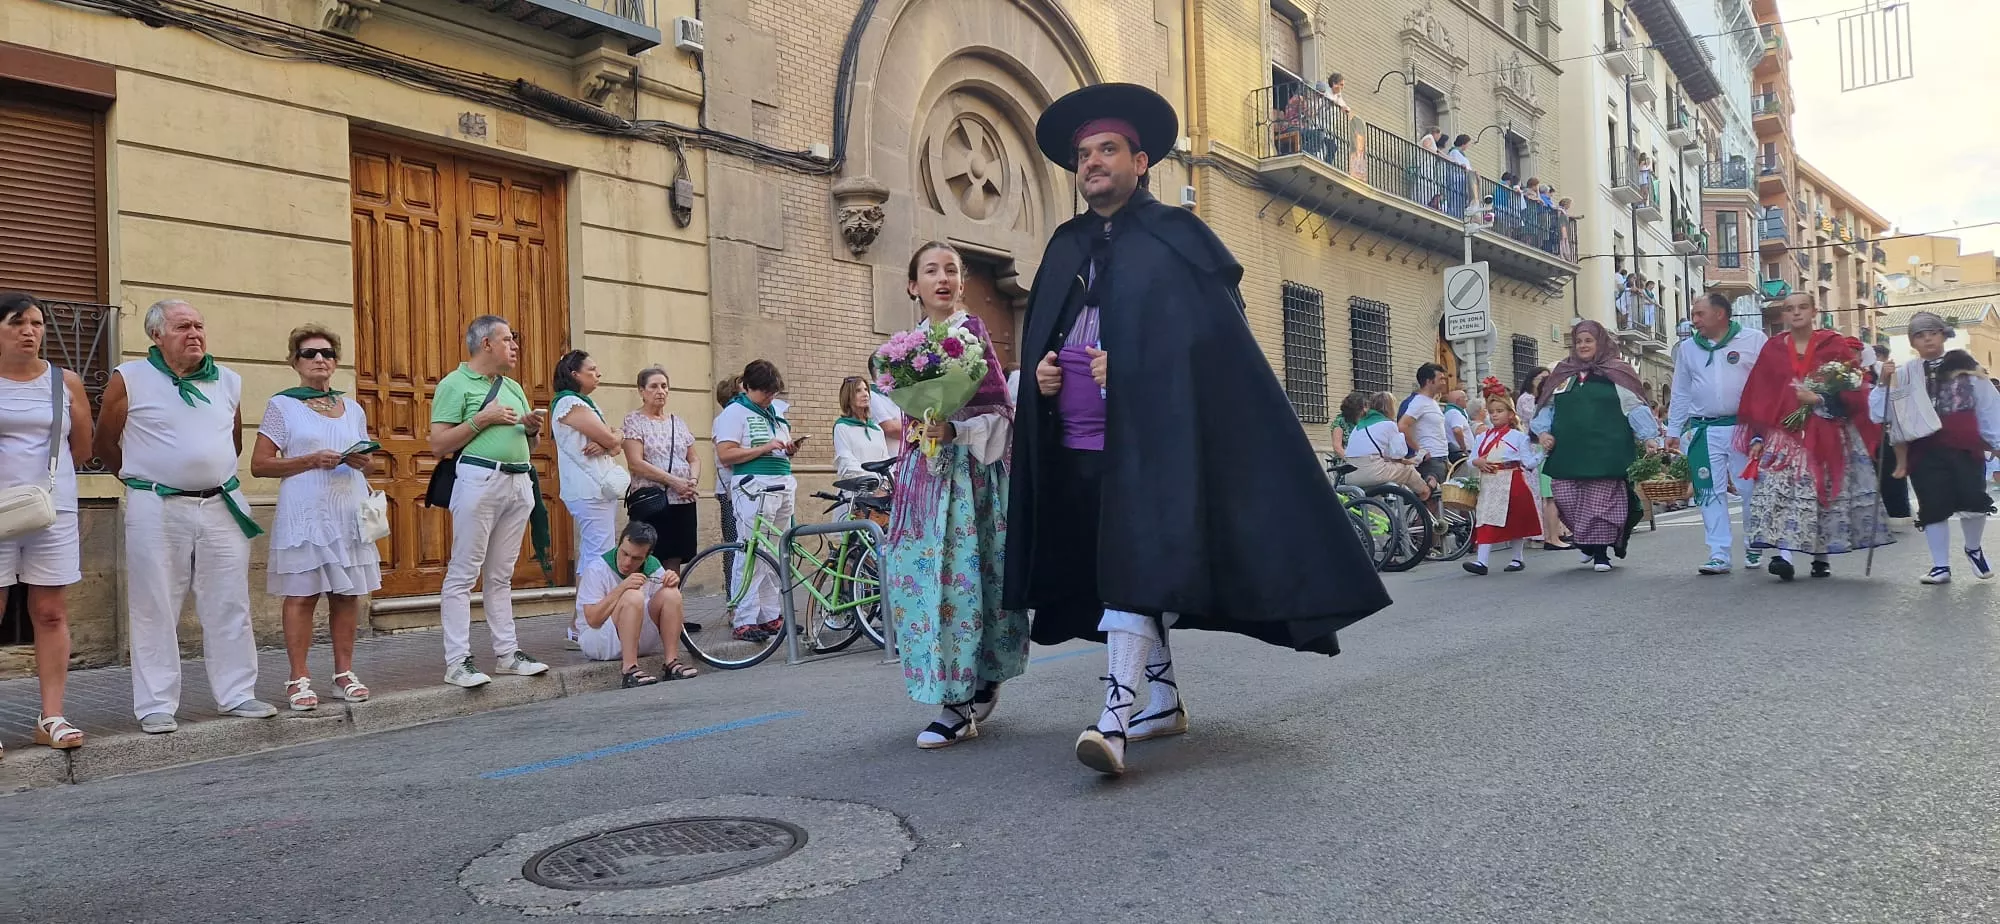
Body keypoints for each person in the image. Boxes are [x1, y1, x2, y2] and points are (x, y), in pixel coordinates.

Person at [1008, 82, 1390, 776]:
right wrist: (1042, 376)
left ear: (1141, 160)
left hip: (1157, 448)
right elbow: (1050, 335)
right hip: (1078, 447)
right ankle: (1163, 702)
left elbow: (1210, 347)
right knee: (1116, 572)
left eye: (1108, 150)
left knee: (1131, 568)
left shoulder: (1178, 240)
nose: (1093, 162)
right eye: (1083, 154)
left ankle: (1114, 721)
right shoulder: (1064, 246)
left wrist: (1133, 364)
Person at [96, 299, 275, 732]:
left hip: (221, 503)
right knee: (154, 601)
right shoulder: (130, 378)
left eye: (198, 325)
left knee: (229, 600)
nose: (194, 334)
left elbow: (230, 443)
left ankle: (237, 694)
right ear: (156, 335)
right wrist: (145, 479)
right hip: (155, 504)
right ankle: (156, 704)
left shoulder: (228, 381)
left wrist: (202, 470)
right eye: (182, 327)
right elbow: (105, 443)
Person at [883, 241, 1026, 748]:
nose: (942, 279)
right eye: (931, 270)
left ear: (962, 283)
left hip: (969, 485)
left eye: (951, 271)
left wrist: (956, 433)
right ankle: (972, 682)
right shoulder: (907, 347)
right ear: (912, 285)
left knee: (963, 583)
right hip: (923, 484)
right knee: (925, 586)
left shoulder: (971, 335)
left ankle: (959, 702)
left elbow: (1001, 416)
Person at [250, 324, 382, 712]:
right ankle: (298, 677)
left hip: (347, 509)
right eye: (309, 354)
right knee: (302, 595)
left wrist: (364, 461)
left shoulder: (352, 407)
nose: (319, 360)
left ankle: (344, 673)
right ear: (295, 362)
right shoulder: (282, 405)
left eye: (326, 353)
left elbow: (369, 462)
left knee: (347, 595)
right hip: (306, 512)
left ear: (336, 361)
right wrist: (309, 460)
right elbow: (260, 465)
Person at [428, 315, 551, 688]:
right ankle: (457, 661)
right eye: (508, 339)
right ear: (486, 344)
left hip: (518, 481)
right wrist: (483, 419)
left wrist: (532, 431)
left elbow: (530, 446)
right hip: (479, 478)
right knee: (464, 572)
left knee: (501, 574)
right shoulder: (454, 384)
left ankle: (507, 653)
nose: (514, 346)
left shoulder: (512, 386)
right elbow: (438, 445)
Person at [1735, 293, 1890, 581]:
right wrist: (1757, 437)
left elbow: (1852, 390)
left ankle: (1821, 556)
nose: (1796, 313)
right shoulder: (1772, 349)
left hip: (1828, 430)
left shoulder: (1833, 344)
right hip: (1783, 433)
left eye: (1802, 307)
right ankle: (1783, 555)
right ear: (1783, 315)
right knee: (1778, 491)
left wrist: (1817, 397)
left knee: (1822, 492)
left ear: (1814, 311)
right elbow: (1760, 395)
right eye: (1789, 309)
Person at [0, 293, 91, 752]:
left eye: (36, 323)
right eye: (17, 322)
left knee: (51, 612)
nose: (29, 331)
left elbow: (84, 448)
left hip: (50, 510)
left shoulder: (64, 381)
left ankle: (51, 716)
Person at [1871, 312, 2000, 584]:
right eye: (1919, 334)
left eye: (1932, 331)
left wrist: (1997, 442)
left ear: (1943, 334)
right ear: (1912, 342)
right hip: (1924, 448)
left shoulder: (1966, 365)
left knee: (1974, 501)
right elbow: (1878, 413)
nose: (1927, 337)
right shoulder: (1905, 373)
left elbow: (1988, 404)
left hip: (1964, 445)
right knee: (1933, 505)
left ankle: (1973, 549)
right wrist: (1883, 381)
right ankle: (1940, 566)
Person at [1532, 320, 1662, 572]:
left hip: (1606, 451)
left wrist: (1648, 436)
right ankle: (1588, 542)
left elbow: (1634, 406)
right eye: (1579, 341)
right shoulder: (1563, 372)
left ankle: (1601, 553)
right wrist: (1543, 432)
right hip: (1569, 453)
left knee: (1600, 504)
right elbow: (1547, 406)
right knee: (1565, 498)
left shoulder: (1618, 371)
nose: (1582, 345)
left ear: (1600, 342)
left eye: (1588, 340)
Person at [1665, 292, 1770, 575]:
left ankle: (1753, 542)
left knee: (1750, 488)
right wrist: (1673, 430)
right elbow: (1681, 391)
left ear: (1720, 314)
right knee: (1709, 491)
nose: (1694, 320)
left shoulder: (1753, 340)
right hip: (1704, 429)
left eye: (1699, 314)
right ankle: (1719, 553)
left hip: (1744, 429)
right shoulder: (1688, 348)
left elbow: (1768, 383)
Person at [713, 359, 799, 642]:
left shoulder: (774, 412)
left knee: (775, 550)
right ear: (748, 387)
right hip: (754, 486)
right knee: (752, 550)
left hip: (782, 483)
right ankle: (745, 617)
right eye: (764, 392)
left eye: (773, 392)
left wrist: (788, 449)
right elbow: (726, 454)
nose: (770, 397)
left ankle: (770, 614)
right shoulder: (735, 413)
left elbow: (777, 448)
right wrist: (764, 448)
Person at [574, 521, 697, 685]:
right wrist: (622, 588)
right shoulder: (597, 568)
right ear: (619, 545)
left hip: (638, 639)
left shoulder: (653, 567)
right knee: (633, 596)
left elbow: (667, 608)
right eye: (624, 553)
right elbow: (593, 620)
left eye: (636, 558)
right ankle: (629, 669)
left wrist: (671, 582)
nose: (627, 563)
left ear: (647, 556)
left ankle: (671, 663)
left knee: (672, 594)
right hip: (599, 641)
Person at [621, 366, 700, 574]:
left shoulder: (678, 422)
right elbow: (635, 463)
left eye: (664, 386)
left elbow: (694, 458)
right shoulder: (633, 421)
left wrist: (691, 480)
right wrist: (675, 482)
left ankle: (670, 603)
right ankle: (643, 604)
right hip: (653, 501)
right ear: (641, 391)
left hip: (682, 500)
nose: (660, 391)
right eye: (654, 386)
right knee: (647, 557)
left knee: (675, 558)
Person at [551, 350, 624, 562]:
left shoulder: (586, 404)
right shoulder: (570, 403)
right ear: (575, 374)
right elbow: (612, 441)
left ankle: (589, 596)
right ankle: (593, 596)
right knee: (599, 553)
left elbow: (614, 442)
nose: (598, 374)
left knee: (594, 551)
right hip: (589, 487)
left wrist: (611, 439)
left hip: (597, 486)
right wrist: (611, 439)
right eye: (591, 369)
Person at [1462, 386, 1539, 575]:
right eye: (1491, 412)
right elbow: (1471, 460)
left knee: (1515, 519)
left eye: (1499, 411)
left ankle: (1517, 557)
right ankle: (1482, 562)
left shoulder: (1519, 437)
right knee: (1485, 519)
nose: (1494, 415)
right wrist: (1478, 461)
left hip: (1512, 481)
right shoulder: (1482, 437)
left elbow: (1528, 463)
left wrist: (1543, 453)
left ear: (1511, 414)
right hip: (1489, 483)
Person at [1516, 366, 1570, 551]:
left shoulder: (1546, 402)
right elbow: (1536, 422)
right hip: (1539, 447)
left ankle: (1554, 533)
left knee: (1550, 495)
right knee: (1547, 495)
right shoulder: (1532, 401)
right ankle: (1549, 535)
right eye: (1542, 378)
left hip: (1543, 446)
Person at [1343, 391, 1430, 498]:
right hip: (1372, 472)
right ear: (1391, 407)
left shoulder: (1358, 426)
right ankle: (1425, 495)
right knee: (1408, 471)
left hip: (1351, 474)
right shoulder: (1389, 424)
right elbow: (1399, 453)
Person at [1869, 343, 1912, 523]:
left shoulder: (1883, 370)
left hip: (1886, 429)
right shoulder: (1850, 374)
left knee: (1891, 471)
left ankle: (1898, 512)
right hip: (1872, 430)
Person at [1399, 363, 1452, 490]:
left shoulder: (1432, 402)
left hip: (1441, 457)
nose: (1444, 382)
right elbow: (1402, 425)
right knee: (1431, 498)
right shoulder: (1419, 402)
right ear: (1429, 381)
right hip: (1431, 458)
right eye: (1441, 379)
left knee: (1437, 501)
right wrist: (1419, 449)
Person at [832, 375, 893, 480]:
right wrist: (870, 485)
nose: (865, 394)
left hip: (882, 490)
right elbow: (846, 460)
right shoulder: (842, 427)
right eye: (858, 391)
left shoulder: (876, 429)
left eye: (866, 390)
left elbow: (885, 460)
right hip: (857, 490)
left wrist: (885, 484)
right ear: (848, 397)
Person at [1442, 387, 1472, 464]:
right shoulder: (1454, 413)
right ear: (1458, 400)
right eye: (1465, 398)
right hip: (1460, 452)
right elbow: (1457, 430)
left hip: (1457, 451)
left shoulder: (1450, 412)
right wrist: (1464, 449)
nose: (1467, 400)